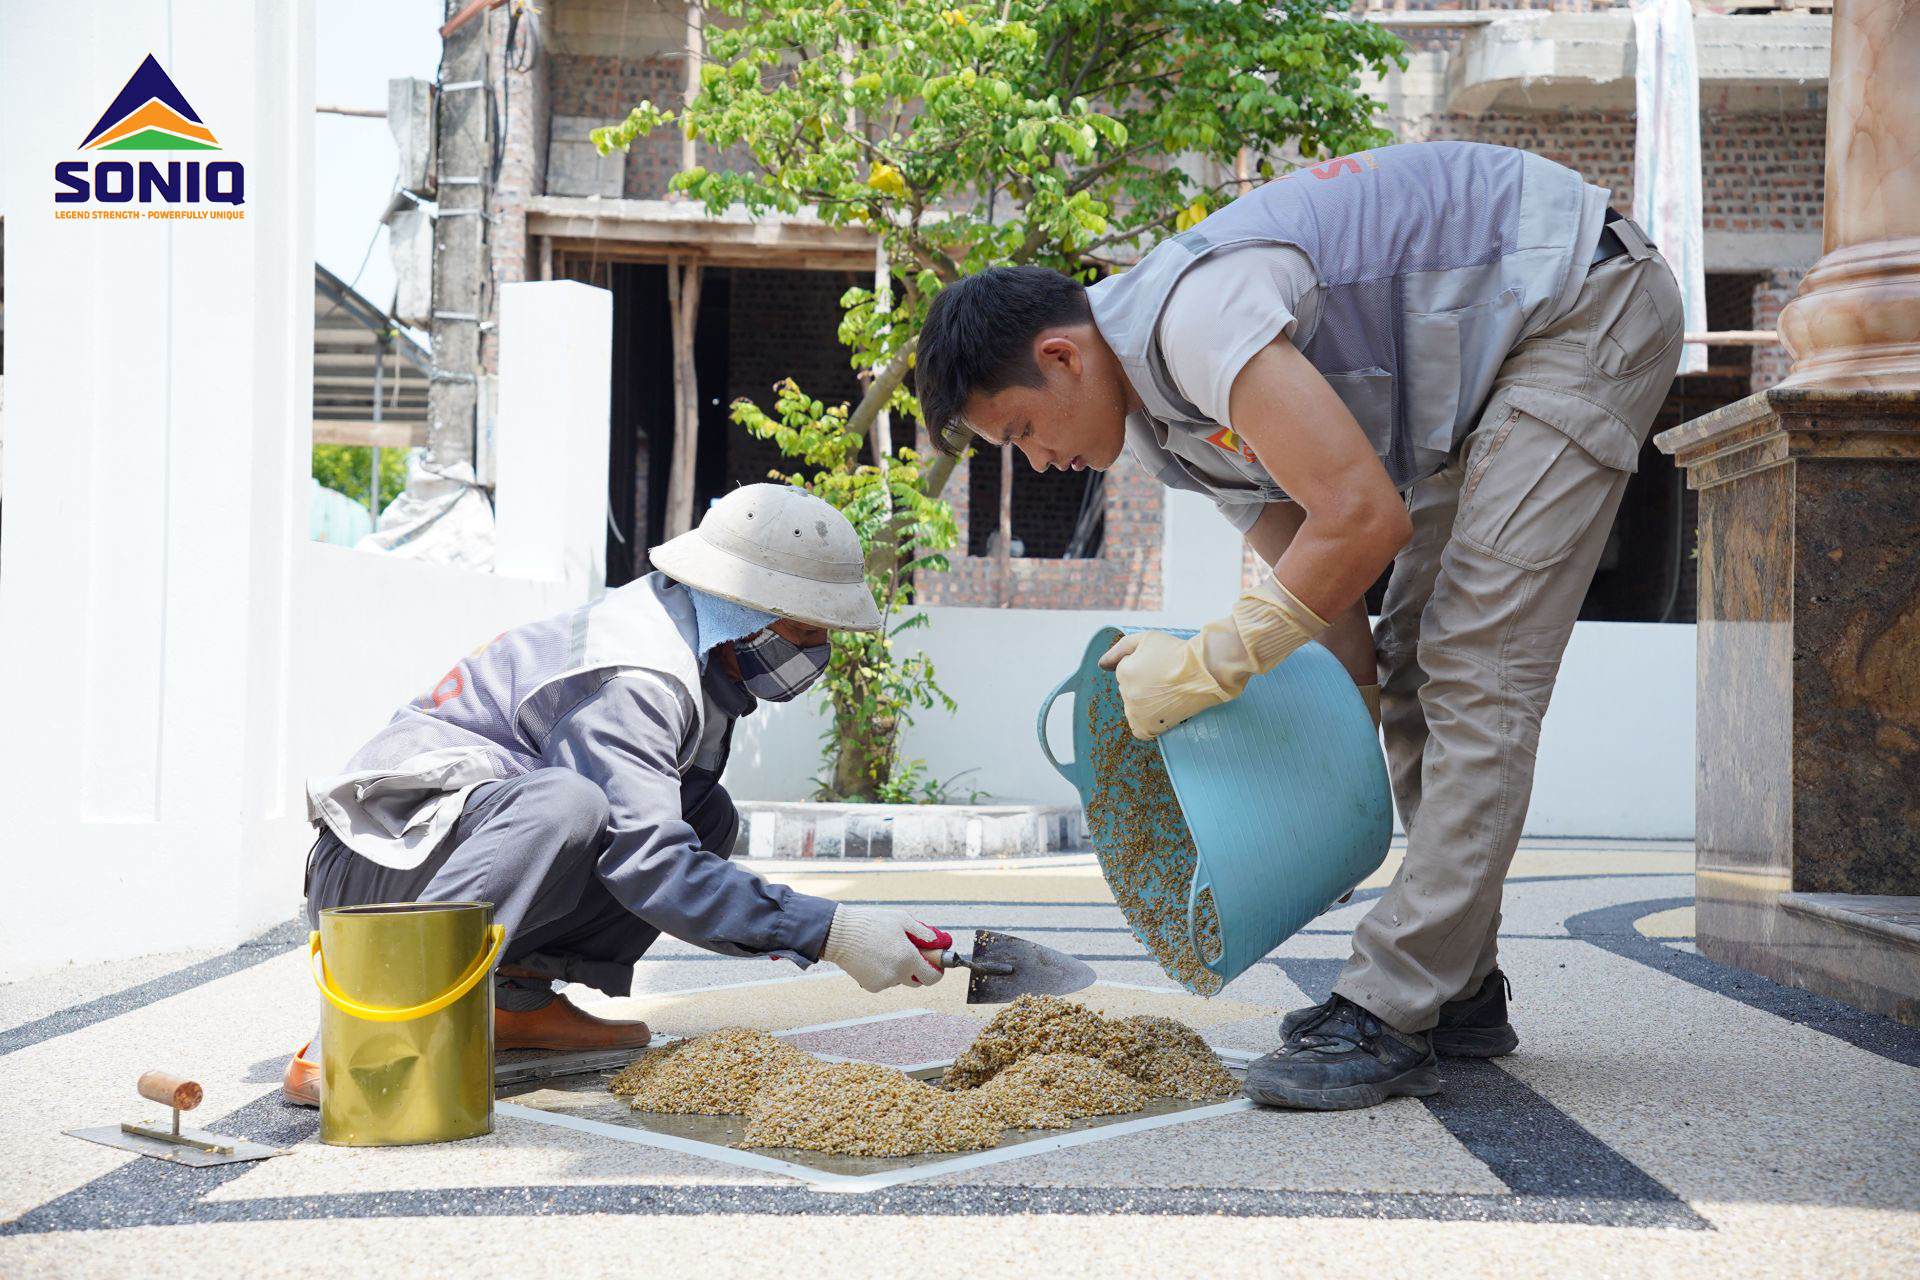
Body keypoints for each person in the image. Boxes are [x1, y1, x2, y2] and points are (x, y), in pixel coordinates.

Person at [914, 140, 1683, 1111]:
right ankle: (1461, 983)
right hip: (1490, 371)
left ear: (1059, 356)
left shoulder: (1191, 321)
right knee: (1413, 662)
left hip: (1580, 300)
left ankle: (1393, 1001)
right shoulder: (1171, 429)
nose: (1037, 461)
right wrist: (1327, 764)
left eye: (1021, 431)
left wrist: (1202, 669)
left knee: (1473, 663)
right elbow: (1331, 587)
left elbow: (1364, 519)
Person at [284, 484, 947, 1106]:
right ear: (751, 614)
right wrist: (830, 931)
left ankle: (515, 1002)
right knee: (567, 807)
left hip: (454, 845)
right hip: (380, 872)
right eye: (807, 631)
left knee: (701, 813)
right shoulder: (638, 674)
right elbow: (650, 864)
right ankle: (363, 1030)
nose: (819, 651)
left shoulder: (697, 645)